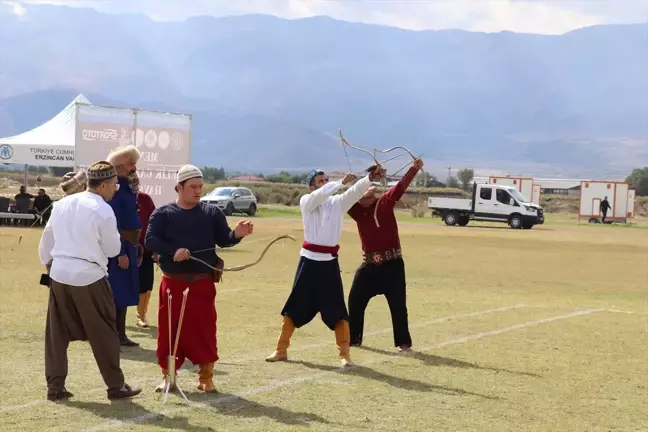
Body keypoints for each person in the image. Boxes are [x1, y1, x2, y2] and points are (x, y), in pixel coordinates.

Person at [38, 161, 142, 401]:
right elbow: (113, 248)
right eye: (114, 184)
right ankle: (115, 386)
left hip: (59, 275)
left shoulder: (62, 204)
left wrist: (51, 267)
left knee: (56, 333)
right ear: (104, 184)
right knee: (105, 331)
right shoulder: (103, 210)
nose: (116, 189)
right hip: (89, 276)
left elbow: (46, 243)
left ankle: (55, 387)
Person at [145, 165, 254, 393]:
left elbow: (224, 239)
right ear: (179, 187)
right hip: (172, 283)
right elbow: (151, 240)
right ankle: (168, 377)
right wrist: (173, 251)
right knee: (169, 332)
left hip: (202, 283)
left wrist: (236, 234)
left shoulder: (211, 213)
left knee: (205, 330)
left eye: (200, 187)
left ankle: (206, 377)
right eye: (192, 187)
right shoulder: (163, 213)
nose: (197, 191)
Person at [265, 165, 386, 367]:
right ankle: (281, 350)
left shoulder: (337, 203)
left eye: (325, 180)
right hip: (308, 263)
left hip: (329, 264)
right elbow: (322, 194)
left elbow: (355, 192)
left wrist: (369, 178)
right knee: (294, 307)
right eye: (320, 181)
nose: (324, 184)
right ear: (312, 187)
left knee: (337, 309)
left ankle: (345, 354)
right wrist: (339, 183)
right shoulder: (307, 201)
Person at [346, 158, 424, 353]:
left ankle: (403, 344)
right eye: (366, 187)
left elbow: (400, 187)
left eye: (371, 186)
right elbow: (344, 198)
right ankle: (354, 339)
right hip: (369, 267)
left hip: (393, 266)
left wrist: (414, 169)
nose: (371, 188)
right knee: (355, 300)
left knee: (398, 306)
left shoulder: (385, 202)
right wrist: (351, 182)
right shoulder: (356, 210)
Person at [106, 145, 142, 347]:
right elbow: (113, 222)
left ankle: (120, 333)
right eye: (131, 163)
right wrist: (120, 251)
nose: (134, 167)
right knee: (117, 291)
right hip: (119, 244)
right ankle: (114, 334)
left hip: (130, 243)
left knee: (124, 290)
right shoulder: (116, 189)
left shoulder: (127, 186)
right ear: (120, 165)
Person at [130, 174, 157, 328]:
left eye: (136, 183)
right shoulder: (115, 199)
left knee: (146, 283)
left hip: (145, 251)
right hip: (121, 249)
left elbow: (154, 222)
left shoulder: (145, 199)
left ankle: (141, 315)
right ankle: (113, 316)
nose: (134, 186)